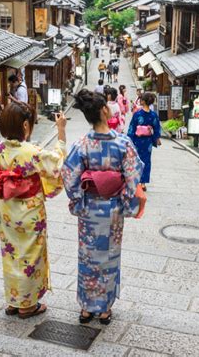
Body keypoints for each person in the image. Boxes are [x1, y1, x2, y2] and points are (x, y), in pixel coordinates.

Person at [61, 90, 143, 326]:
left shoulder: (82, 144)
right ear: (105, 111)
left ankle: (87, 308)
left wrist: (78, 200)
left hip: (89, 211)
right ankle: (104, 308)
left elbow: (69, 175)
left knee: (87, 257)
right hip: (113, 211)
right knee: (108, 257)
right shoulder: (123, 143)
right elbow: (132, 175)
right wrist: (126, 202)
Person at [0, 102, 67, 319]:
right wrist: (61, 131)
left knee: (11, 254)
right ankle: (27, 305)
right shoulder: (33, 152)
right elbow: (57, 165)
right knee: (31, 254)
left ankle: (14, 300)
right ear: (25, 126)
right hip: (31, 213)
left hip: (8, 211)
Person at [128, 92, 161, 191]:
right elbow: (157, 128)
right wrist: (156, 138)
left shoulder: (137, 114)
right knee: (146, 161)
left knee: (136, 161)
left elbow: (132, 128)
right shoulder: (153, 115)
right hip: (148, 142)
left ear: (143, 101)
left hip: (137, 141)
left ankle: (136, 181)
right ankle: (143, 183)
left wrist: (129, 139)